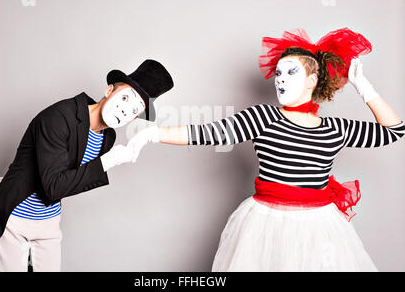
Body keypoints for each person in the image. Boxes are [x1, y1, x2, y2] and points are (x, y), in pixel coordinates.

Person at [127, 29, 404, 271]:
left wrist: (364, 88)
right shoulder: (264, 117)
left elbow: (395, 131)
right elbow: (208, 133)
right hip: (265, 225)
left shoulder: (335, 128)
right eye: (279, 73)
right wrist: (152, 134)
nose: (281, 79)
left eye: (291, 72)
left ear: (312, 80)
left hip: (319, 229)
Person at [0, 59, 174, 272]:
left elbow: (71, 181)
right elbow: (54, 186)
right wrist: (109, 161)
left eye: (134, 110)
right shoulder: (59, 116)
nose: (126, 111)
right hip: (15, 217)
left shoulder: (107, 138)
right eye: (125, 98)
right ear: (108, 91)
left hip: (48, 222)